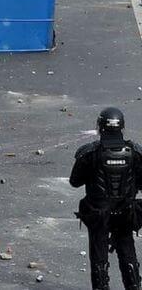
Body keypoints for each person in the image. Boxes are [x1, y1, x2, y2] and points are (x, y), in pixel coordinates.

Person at [70, 108, 142, 290]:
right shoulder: (135, 153)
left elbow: (75, 182)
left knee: (99, 256)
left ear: (100, 127)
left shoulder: (89, 153)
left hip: (98, 214)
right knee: (128, 252)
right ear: (122, 126)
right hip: (126, 213)